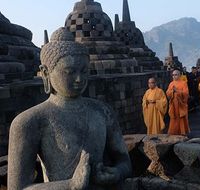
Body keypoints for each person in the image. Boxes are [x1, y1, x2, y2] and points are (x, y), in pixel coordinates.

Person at [8, 28, 131, 190]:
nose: (79, 79)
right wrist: (70, 185)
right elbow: (17, 188)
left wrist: (116, 172)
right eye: (70, 72)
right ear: (46, 73)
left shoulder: (102, 111)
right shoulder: (29, 121)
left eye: (84, 71)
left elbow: (125, 162)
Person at [166, 69, 190, 135]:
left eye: (176, 75)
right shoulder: (171, 84)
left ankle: (183, 132)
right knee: (174, 118)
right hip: (173, 104)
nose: (174, 76)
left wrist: (177, 91)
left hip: (181, 104)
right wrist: (172, 92)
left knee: (181, 118)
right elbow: (167, 93)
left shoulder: (183, 83)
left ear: (179, 75)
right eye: (173, 75)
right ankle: (173, 132)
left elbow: (186, 94)